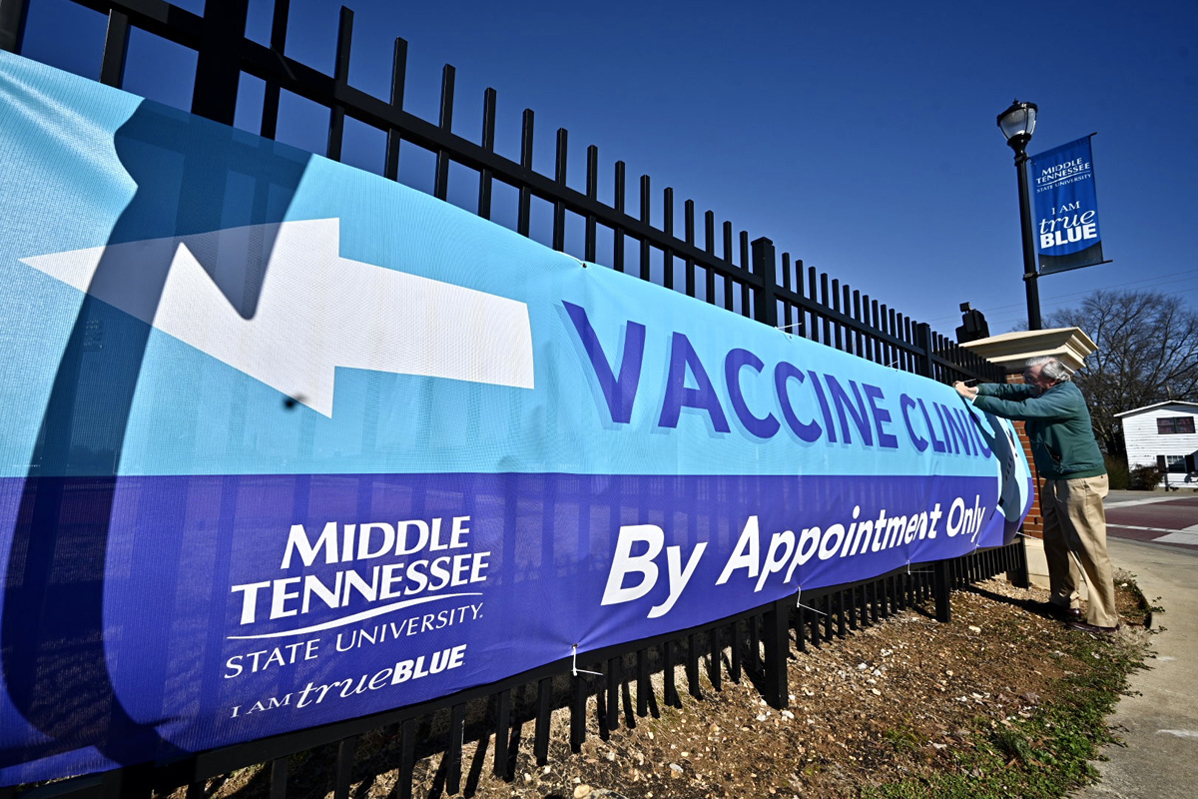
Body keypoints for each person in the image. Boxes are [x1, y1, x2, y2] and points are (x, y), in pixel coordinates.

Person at [954, 356, 1119, 634]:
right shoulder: (1043, 389)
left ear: (1050, 379)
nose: (1026, 382)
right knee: (1055, 543)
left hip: (1080, 481)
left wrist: (973, 400)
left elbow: (1021, 409)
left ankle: (1104, 619)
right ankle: (1063, 601)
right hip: (1057, 479)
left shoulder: (1065, 396)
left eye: (1030, 377)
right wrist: (977, 389)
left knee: (1089, 548)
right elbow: (1008, 390)